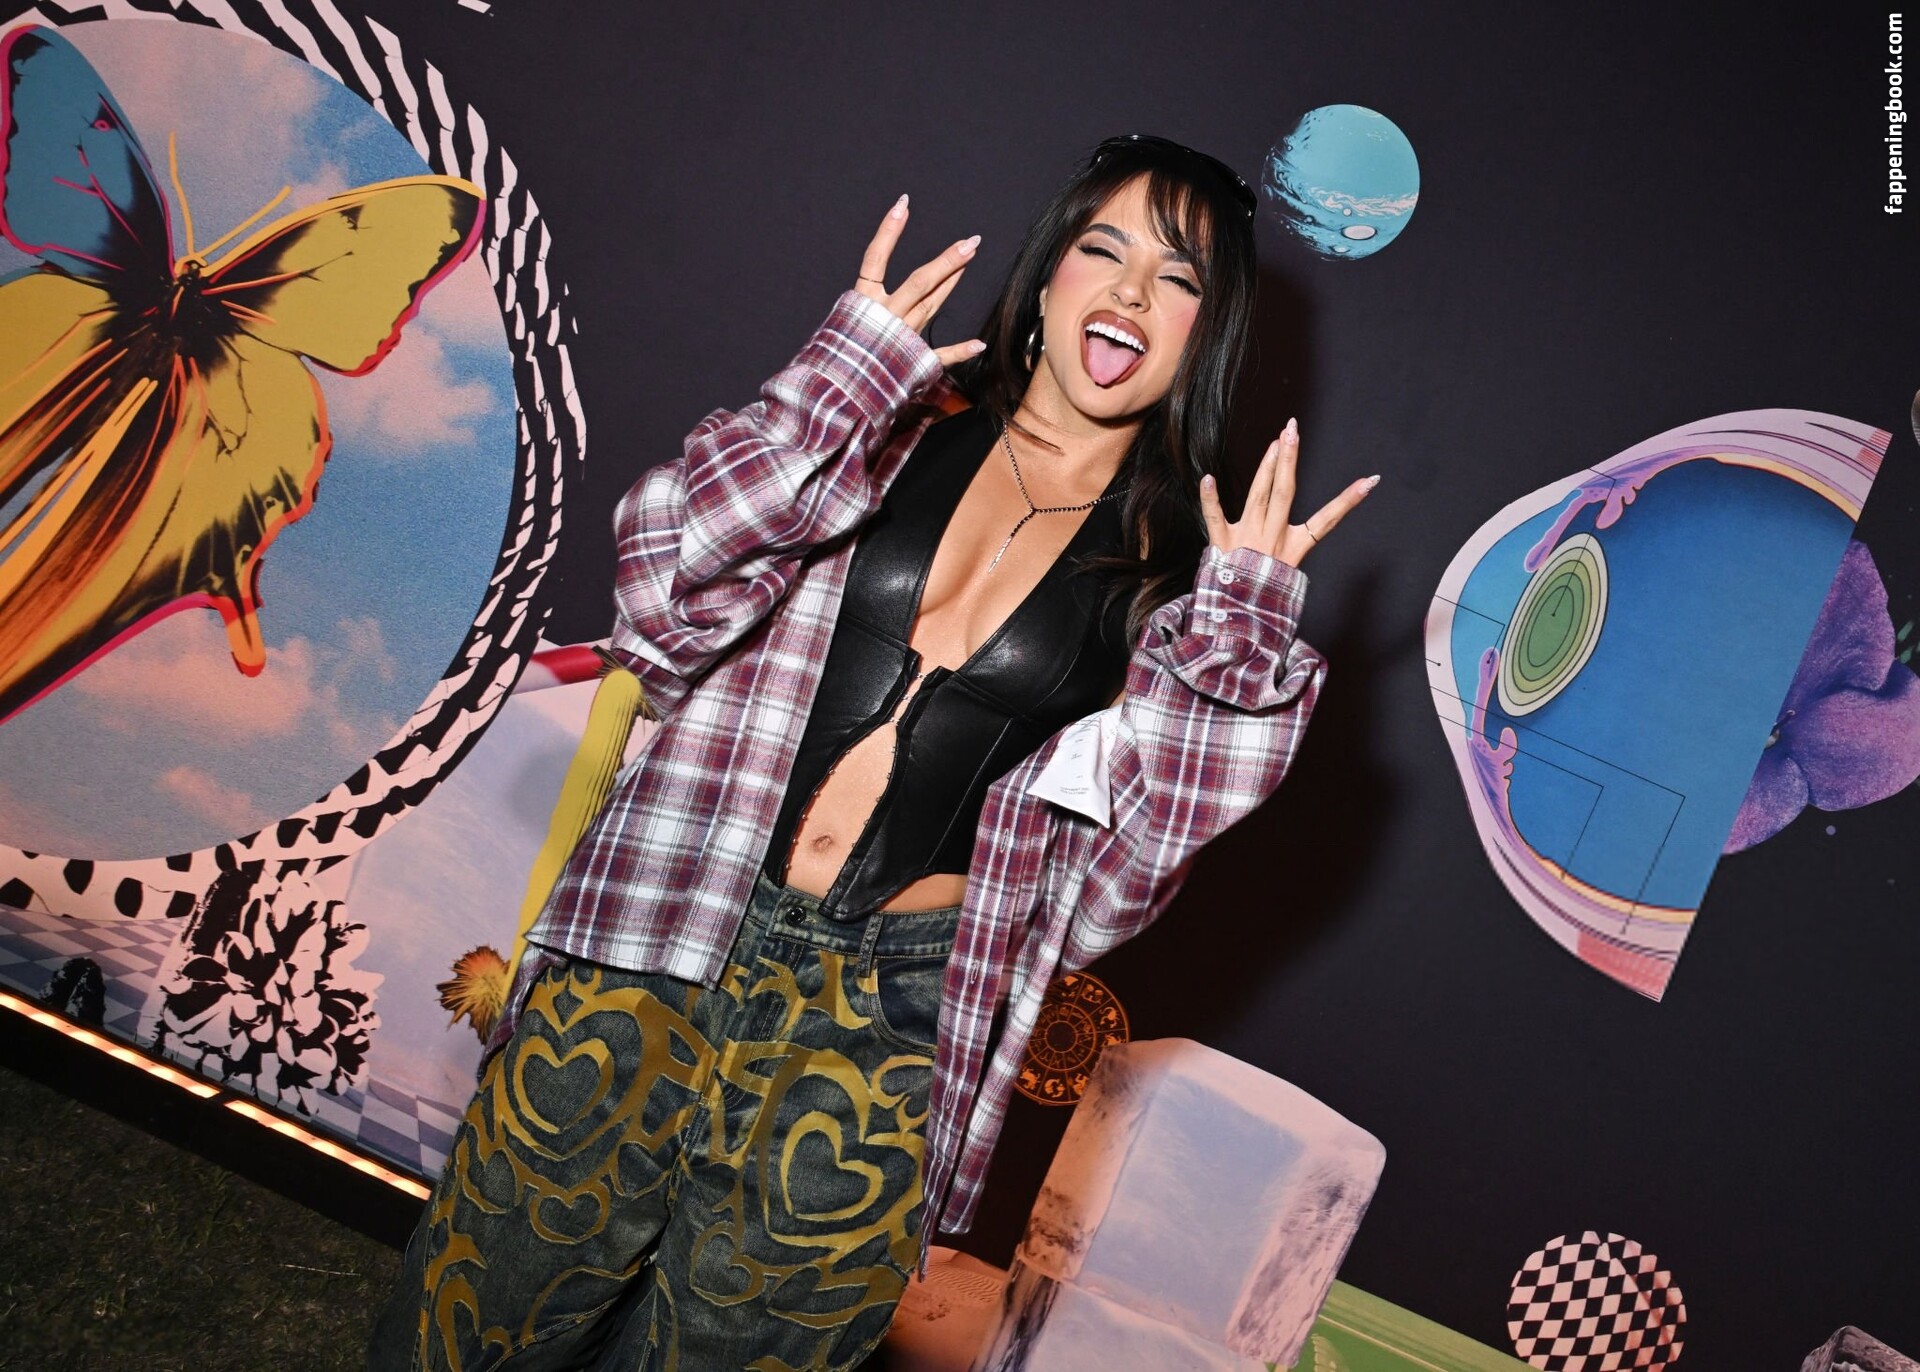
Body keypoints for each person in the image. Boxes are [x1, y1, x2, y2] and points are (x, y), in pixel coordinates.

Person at [368, 133, 1374, 1372]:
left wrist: (1235, 648)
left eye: (1178, 279)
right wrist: (833, 389)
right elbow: (660, 588)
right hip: (678, 921)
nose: (1127, 292)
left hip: (888, 1021)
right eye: (1101, 248)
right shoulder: (886, 429)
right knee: (470, 1321)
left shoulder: (1177, 582)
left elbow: (1113, 893)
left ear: (1205, 334)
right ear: (1047, 274)